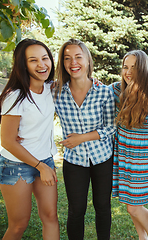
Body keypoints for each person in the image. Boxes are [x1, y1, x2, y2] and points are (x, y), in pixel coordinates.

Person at [0, 39, 59, 239]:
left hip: (45, 161)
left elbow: (78, 80)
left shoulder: (51, 88)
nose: (42, 65)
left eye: (45, 58)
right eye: (33, 60)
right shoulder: (15, 96)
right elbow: (7, 141)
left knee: (50, 216)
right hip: (16, 165)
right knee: (18, 225)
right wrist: (40, 166)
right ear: (23, 65)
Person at [54, 39, 115, 240]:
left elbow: (111, 126)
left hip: (102, 158)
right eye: (67, 58)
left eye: (78, 57)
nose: (73, 62)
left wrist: (82, 138)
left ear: (88, 60)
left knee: (103, 207)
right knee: (76, 210)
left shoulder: (104, 91)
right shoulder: (55, 92)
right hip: (74, 160)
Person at [111, 50, 148, 240]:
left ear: (144, 69)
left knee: (134, 206)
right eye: (125, 67)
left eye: (134, 67)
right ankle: (143, 237)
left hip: (143, 157)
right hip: (123, 153)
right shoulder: (116, 91)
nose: (128, 72)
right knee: (130, 205)